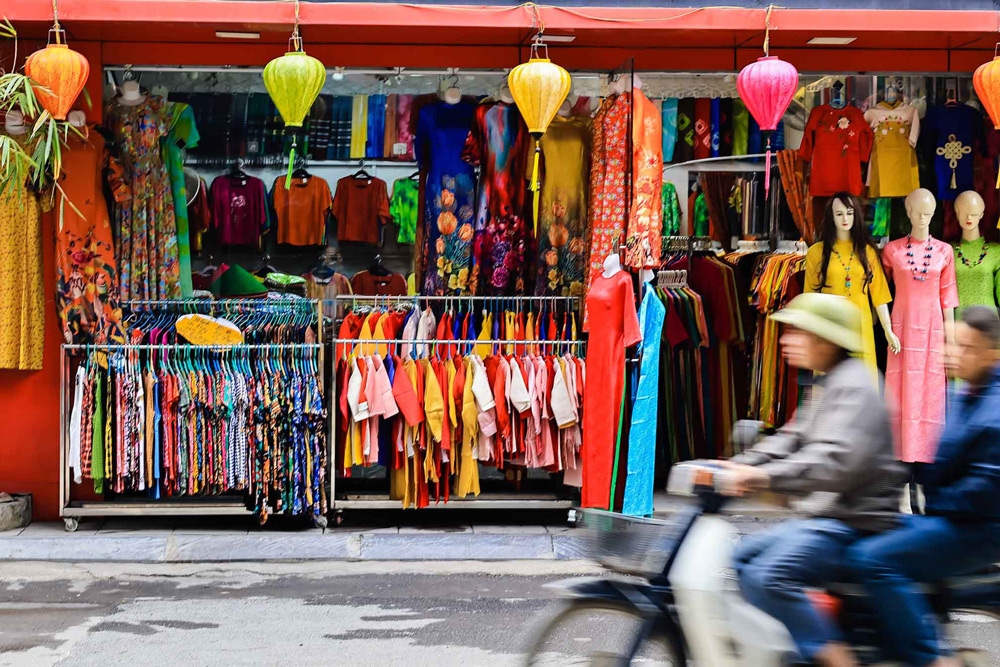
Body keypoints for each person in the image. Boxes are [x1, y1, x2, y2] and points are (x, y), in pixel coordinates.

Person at [724, 293, 905, 667]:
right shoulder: (831, 382)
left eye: (798, 333)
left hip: (853, 523)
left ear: (823, 339)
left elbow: (832, 461)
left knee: (770, 575)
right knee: (742, 558)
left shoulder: (855, 386)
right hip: (829, 518)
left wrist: (761, 477)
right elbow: (793, 438)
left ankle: (835, 658)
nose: (788, 341)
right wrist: (734, 466)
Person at [846, 305, 1000, 667]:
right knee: (860, 533)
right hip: (948, 517)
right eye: (953, 344)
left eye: (967, 348)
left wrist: (936, 495)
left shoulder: (992, 409)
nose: (954, 353)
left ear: (992, 355)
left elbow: (983, 490)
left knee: (872, 561)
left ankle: (930, 658)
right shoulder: (970, 392)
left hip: (972, 529)